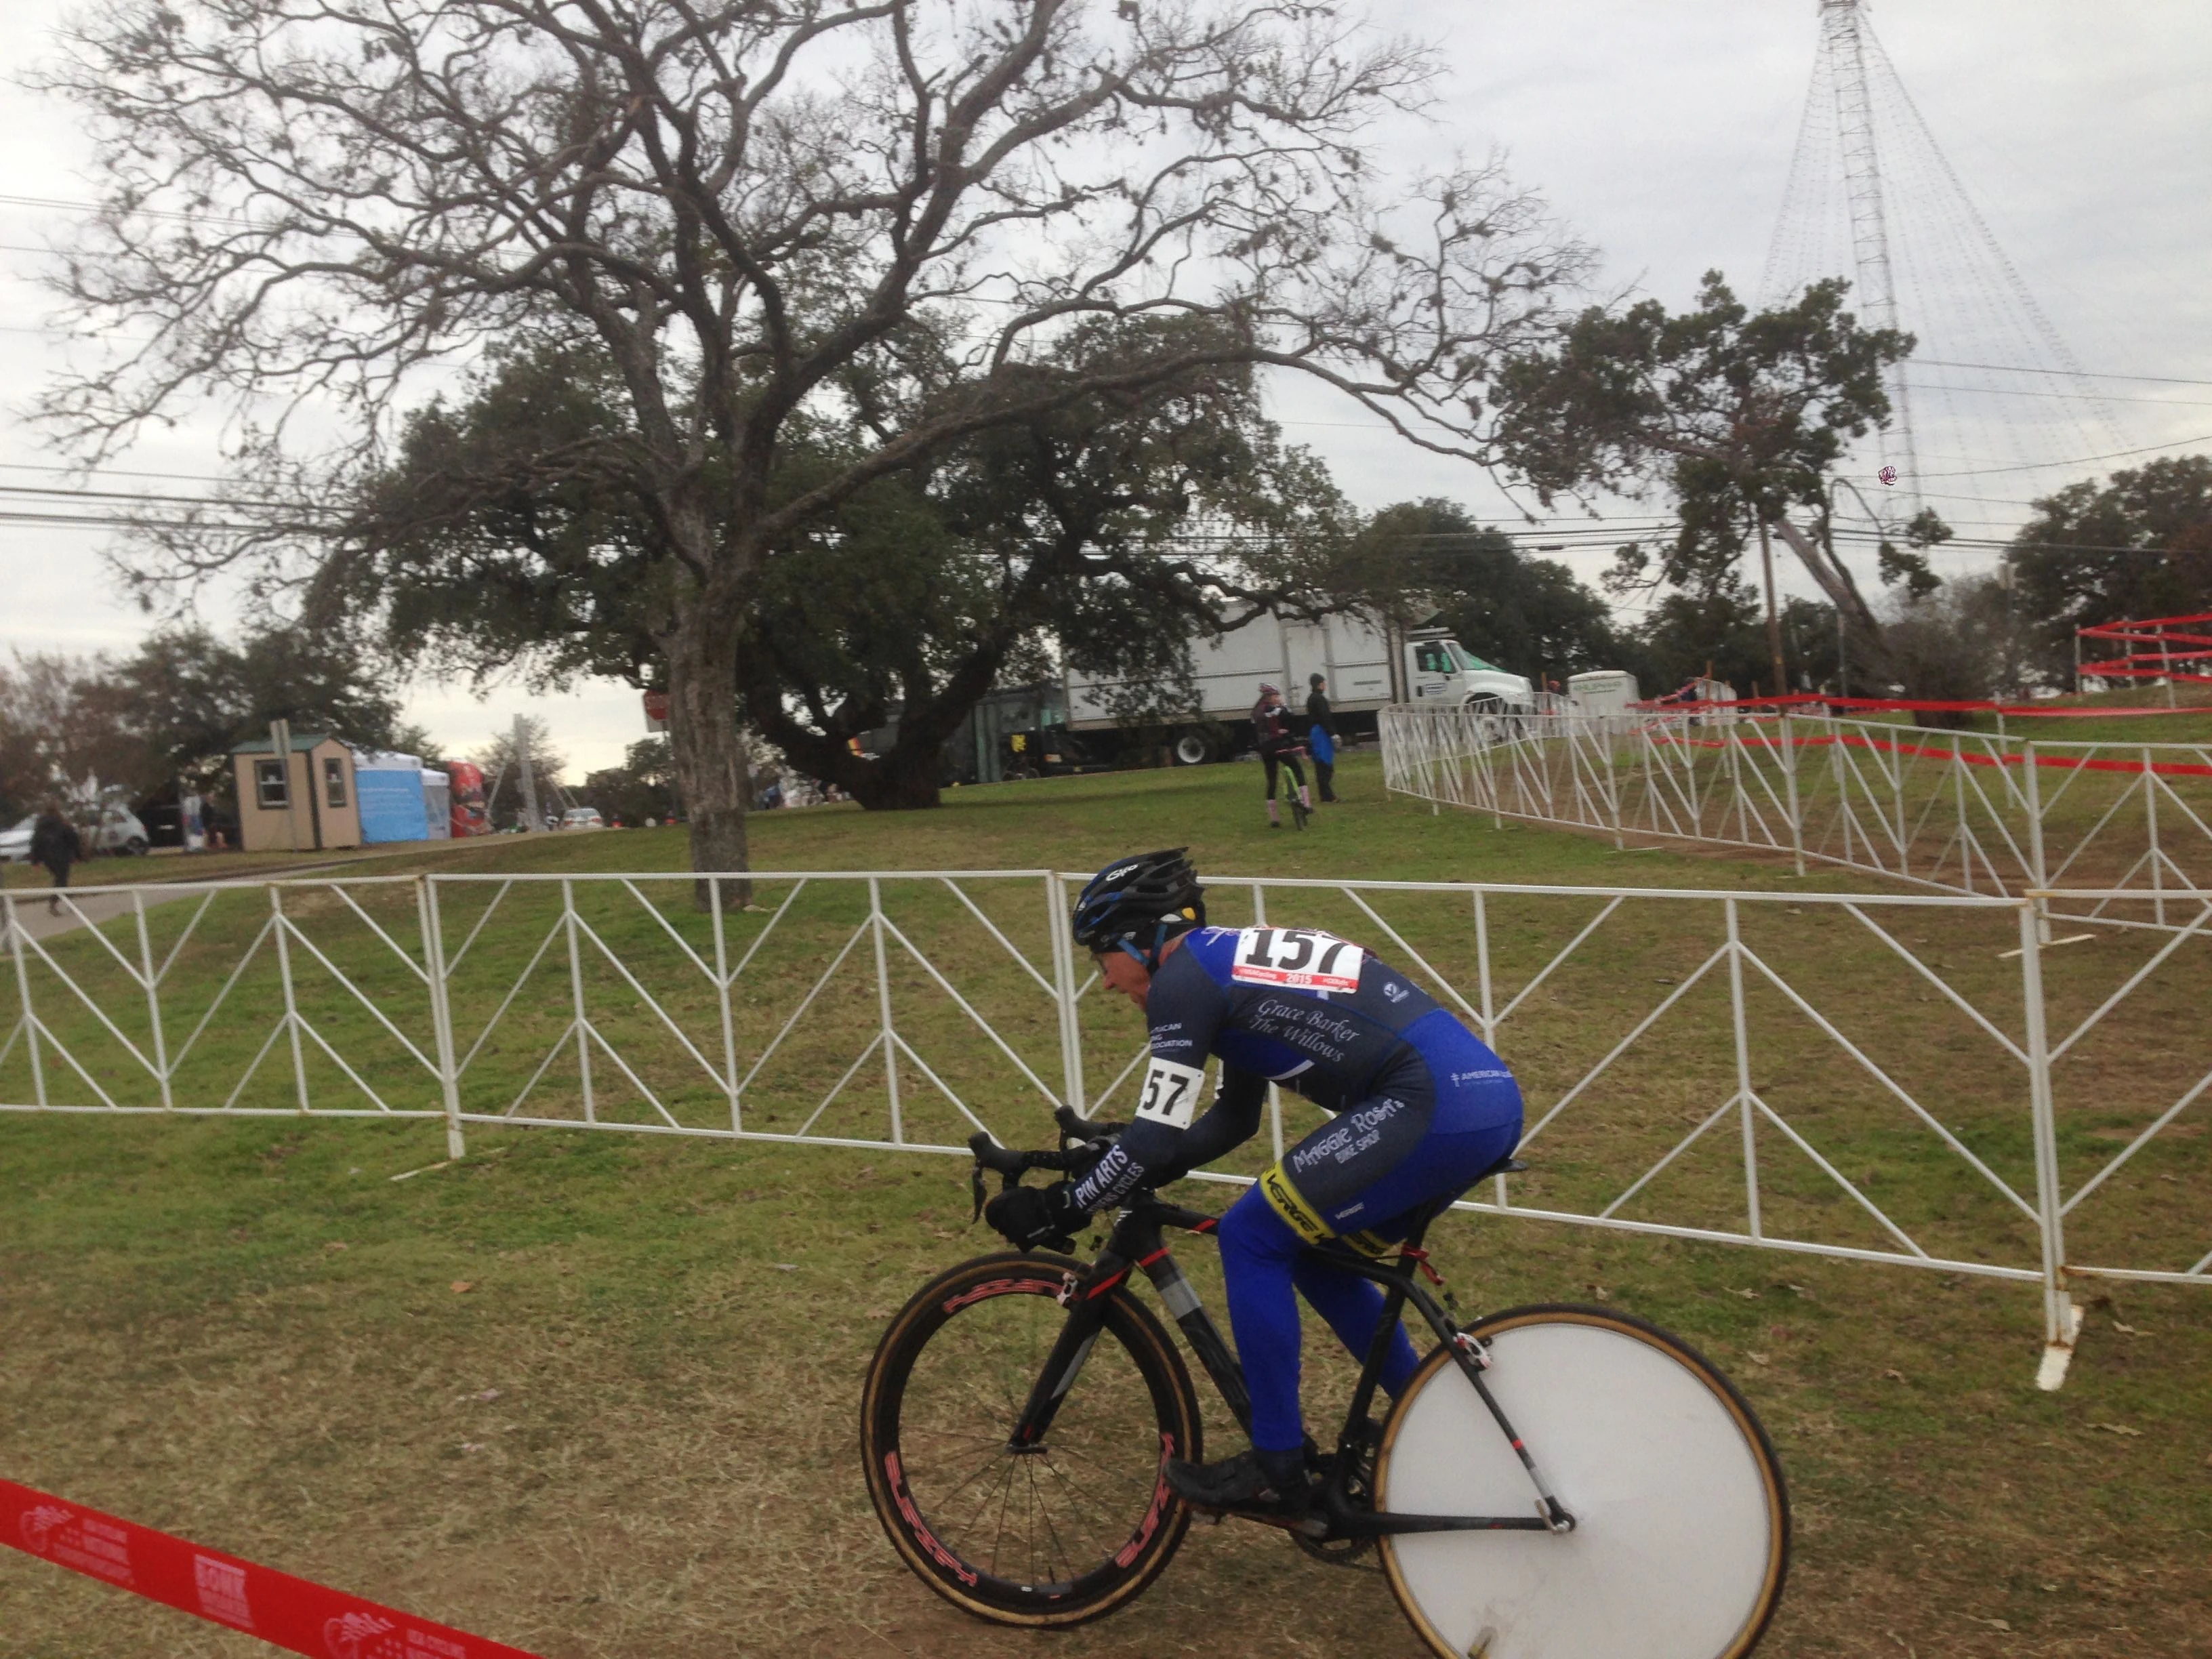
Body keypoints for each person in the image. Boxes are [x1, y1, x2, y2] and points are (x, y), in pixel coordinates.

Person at [986, 850, 1524, 1521]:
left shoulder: (1183, 983)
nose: (1105, 982)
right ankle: (1428, 1413)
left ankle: (1278, 1464)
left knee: (1251, 1234)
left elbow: (1158, 1140)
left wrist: (1063, 1205)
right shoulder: (1225, 964)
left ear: (1140, 941)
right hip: (1482, 1100)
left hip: (1429, 1106)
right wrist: (1121, 1152)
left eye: (1102, 960)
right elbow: (1229, 1123)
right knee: (1317, 1259)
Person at [1249, 683, 1312, 829]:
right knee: (1296, 768)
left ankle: (1274, 818)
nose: (1278, 698)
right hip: (1276, 746)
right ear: (1269, 697)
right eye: (1276, 696)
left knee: (1272, 781)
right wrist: (1284, 706)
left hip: (1265, 750)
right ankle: (1307, 804)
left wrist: (1278, 730)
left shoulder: (1256, 710)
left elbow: (1262, 727)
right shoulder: (1269, 708)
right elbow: (1287, 715)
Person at [28, 803, 83, 916]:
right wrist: (77, 856)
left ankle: (69, 902)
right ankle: (53, 903)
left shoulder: (40, 827)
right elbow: (73, 841)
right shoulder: (62, 825)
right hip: (62, 856)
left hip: (47, 858)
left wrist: (35, 861)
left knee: (60, 879)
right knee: (61, 880)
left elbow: (35, 844)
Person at [1303, 672, 1340, 803]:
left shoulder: (1310, 698)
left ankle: (1324, 795)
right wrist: (1333, 733)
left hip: (1315, 732)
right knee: (1326, 765)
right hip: (1322, 733)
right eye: (1324, 683)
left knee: (1320, 765)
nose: (1325, 685)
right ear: (1319, 684)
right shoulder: (1319, 699)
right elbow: (1325, 717)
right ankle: (1328, 796)